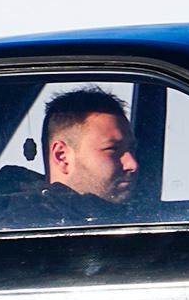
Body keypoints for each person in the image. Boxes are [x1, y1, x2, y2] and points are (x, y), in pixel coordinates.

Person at [13, 88, 141, 225]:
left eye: (131, 149)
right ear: (62, 157)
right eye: (113, 149)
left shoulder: (140, 218)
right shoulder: (27, 230)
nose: (132, 164)